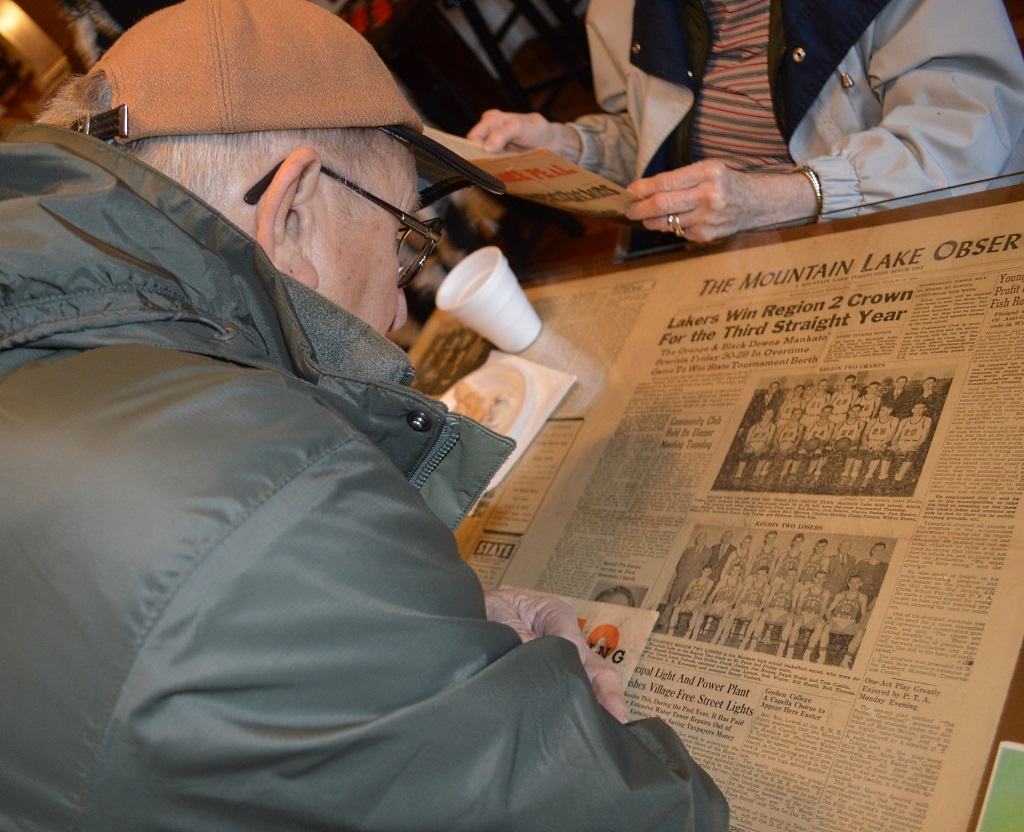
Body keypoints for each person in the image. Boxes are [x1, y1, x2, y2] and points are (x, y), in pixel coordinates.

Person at [0, 2, 729, 830]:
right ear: (295, 210)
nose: (393, 308)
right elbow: (653, 814)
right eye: (403, 239)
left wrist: (401, 637)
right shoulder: (274, 501)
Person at [468, 0, 1024, 248]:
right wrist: (567, 144)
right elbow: (660, 139)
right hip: (745, 280)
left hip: (915, 247)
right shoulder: (617, 11)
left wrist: (780, 197)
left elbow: (970, 132)